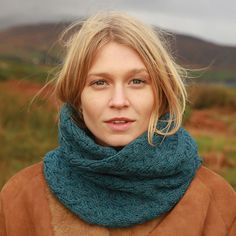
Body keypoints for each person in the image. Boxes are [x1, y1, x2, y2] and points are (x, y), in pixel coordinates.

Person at [0, 11, 235, 236]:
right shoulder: (20, 198)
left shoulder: (217, 201)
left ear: (161, 93)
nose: (119, 101)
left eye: (137, 81)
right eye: (100, 83)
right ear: (77, 97)